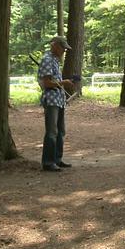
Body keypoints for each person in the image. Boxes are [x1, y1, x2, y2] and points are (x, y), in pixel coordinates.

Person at [38, 36, 74, 171]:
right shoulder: (47, 60)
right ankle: (48, 162)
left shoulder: (55, 60)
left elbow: (53, 80)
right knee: (52, 131)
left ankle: (57, 160)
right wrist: (64, 82)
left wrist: (63, 82)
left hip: (59, 99)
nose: (64, 50)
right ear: (54, 45)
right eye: (63, 47)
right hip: (52, 99)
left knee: (61, 131)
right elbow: (46, 83)